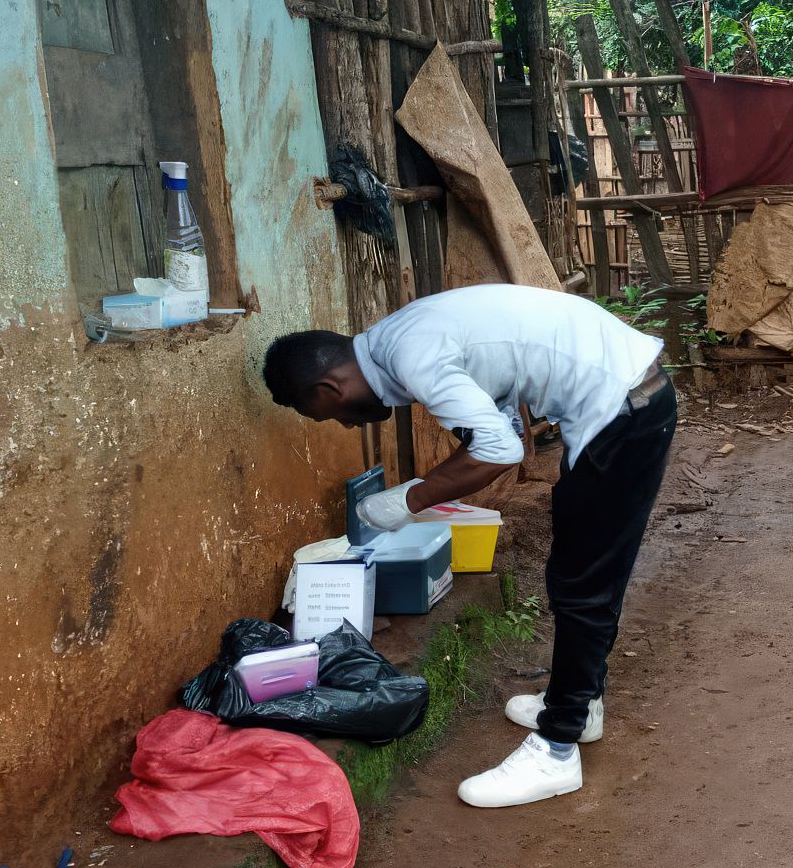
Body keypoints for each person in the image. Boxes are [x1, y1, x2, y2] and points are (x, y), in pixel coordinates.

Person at [262, 284, 676, 809]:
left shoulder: (410, 355)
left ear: (329, 386)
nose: (345, 423)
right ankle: (582, 703)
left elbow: (500, 451)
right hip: (622, 403)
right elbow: (497, 417)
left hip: (620, 413)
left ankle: (557, 747)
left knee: (583, 583)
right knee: (579, 569)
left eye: (328, 414)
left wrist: (409, 499)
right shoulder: (399, 340)